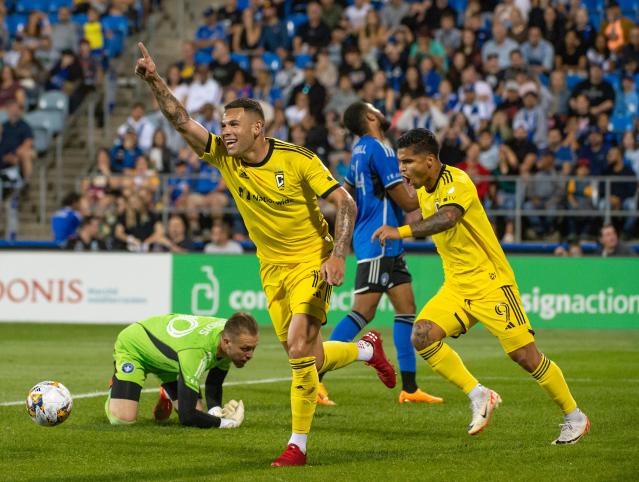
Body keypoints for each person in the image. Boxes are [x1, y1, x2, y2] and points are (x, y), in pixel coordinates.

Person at [135, 43, 396, 467]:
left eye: (234, 123)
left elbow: (345, 202)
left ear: (259, 128)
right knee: (310, 356)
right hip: (271, 269)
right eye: (223, 124)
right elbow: (181, 120)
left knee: (297, 348)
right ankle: (366, 350)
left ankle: (298, 446)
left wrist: (338, 256)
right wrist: (154, 79)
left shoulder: (297, 161)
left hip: (312, 259)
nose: (227, 130)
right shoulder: (224, 156)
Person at [372, 128, 590, 445]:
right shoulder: (422, 187)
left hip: (490, 282)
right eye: (400, 162)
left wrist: (401, 231)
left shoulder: (458, 182)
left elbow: (447, 218)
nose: (402, 168)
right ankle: (479, 395)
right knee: (422, 335)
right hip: (457, 285)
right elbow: (415, 204)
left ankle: (575, 417)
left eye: (407, 161)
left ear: (430, 160)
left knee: (525, 356)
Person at [319, 101, 443, 406]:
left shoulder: (358, 151)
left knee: (406, 310)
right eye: (377, 108)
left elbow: (346, 196)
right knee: (363, 311)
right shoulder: (382, 149)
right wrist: (433, 188)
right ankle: (315, 377)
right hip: (379, 240)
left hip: (384, 243)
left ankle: (410, 389)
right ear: (371, 117)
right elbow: (408, 201)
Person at [106, 312, 257, 428]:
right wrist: (227, 423)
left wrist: (215, 411)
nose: (250, 355)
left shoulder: (230, 334)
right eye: (245, 349)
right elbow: (187, 416)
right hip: (135, 347)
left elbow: (214, 383)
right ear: (226, 342)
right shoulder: (197, 352)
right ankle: (116, 385)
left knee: (200, 412)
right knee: (123, 420)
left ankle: (167, 392)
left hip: (173, 359)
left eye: (253, 348)